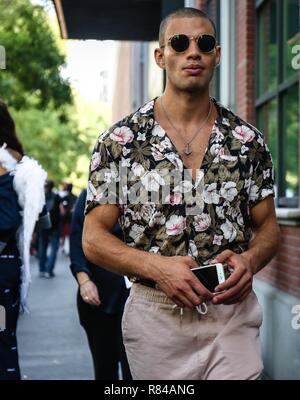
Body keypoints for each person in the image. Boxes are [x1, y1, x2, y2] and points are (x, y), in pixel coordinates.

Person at [82, 7, 280, 380]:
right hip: (156, 317)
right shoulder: (120, 142)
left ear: (217, 55)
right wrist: (157, 268)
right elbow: (93, 238)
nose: (193, 52)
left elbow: (268, 227)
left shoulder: (247, 141)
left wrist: (250, 262)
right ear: (160, 56)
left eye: (204, 43)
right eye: (180, 43)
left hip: (231, 311)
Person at [0, 99, 48, 380]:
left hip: (4, 265)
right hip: (7, 266)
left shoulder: (13, 165)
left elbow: (9, 221)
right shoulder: (18, 164)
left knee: (4, 342)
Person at [69, 189, 132, 380]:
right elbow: (77, 240)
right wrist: (84, 280)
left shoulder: (146, 189)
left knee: (135, 370)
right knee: (104, 368)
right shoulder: (90, 194)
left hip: (136, 294)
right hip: (99, 293)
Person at [38, 180, 62, 278]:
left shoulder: (40, 196)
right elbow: (62, 212)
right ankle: (49, 270)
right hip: (55, 225)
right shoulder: (57, 196)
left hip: (43, 224)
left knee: (42, 246)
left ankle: (42, 269)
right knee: (54, 248)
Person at [60, 183, 77, 255]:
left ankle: (65, 248)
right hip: (72, 220)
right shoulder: (75, 198)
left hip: (66, 220)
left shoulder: (64, 198)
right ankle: (69, 249)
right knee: (70, 235)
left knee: (65, 235)